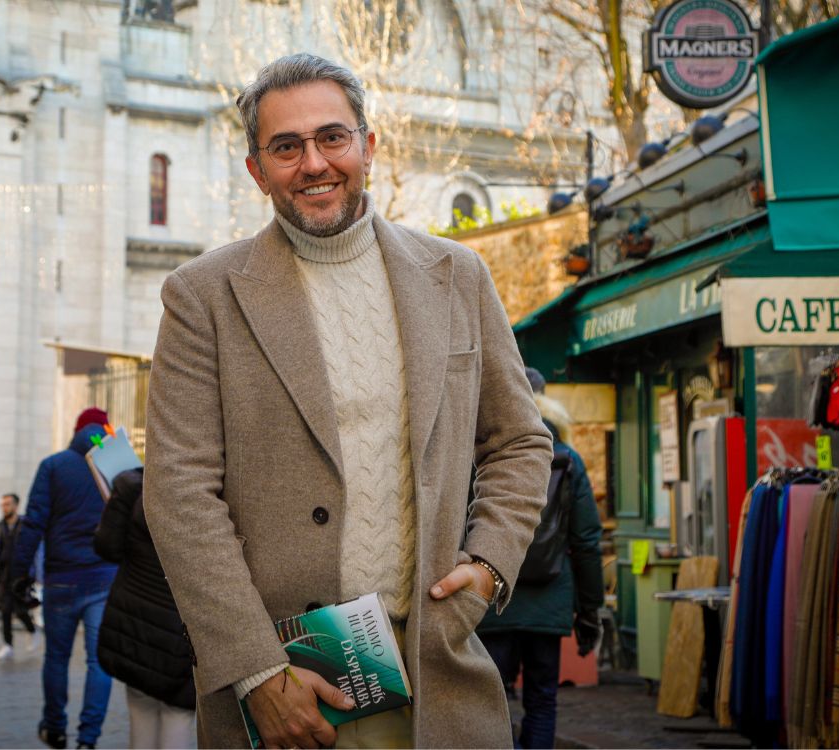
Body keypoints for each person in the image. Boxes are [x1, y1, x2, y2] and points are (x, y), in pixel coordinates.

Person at [141, 53, 552, 749]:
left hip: (434, 665)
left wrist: (487, 567)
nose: (313, 163)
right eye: (285, 147)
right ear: (256, 169)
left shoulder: (457, 277)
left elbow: (518, 439)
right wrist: (256, 672)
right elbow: (180, 492)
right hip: (286, 689)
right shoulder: (201, 295)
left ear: (367, 144)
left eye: (332, 137)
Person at [476, 368, 604, 749]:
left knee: (490, 704)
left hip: (493, 598)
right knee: (542, 700)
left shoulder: (484, 456)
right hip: (550, 601)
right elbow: (586, 541)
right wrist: (590, 610)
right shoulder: (568, 459)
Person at [12, 408, 121, 750]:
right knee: (99, 661)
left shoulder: (53, 466)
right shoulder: (115, 467)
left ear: (74, 431)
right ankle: (88, 739)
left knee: (56, 658)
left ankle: (55, 727)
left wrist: (18, 573)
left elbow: (33, 524)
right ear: (104, 433)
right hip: (104, 579)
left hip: (61, 579)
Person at [93, 468, 196, 749]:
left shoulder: (133, 485)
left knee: (141, 710)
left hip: (133, 621)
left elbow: (107, 547)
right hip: (181, 632)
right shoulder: (208, 490)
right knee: (178, 715)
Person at [0, 492, 39, 661]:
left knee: (20, 610)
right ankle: (8, 645)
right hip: (4, 576)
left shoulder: (25, 524)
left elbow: (33, 549)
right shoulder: (0, 526)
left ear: (15, 506)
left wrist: (34, 574)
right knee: (5, 611)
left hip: (21, 576)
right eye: (2, 504)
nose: (4, 507)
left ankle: (33, 630)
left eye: (7, 504)